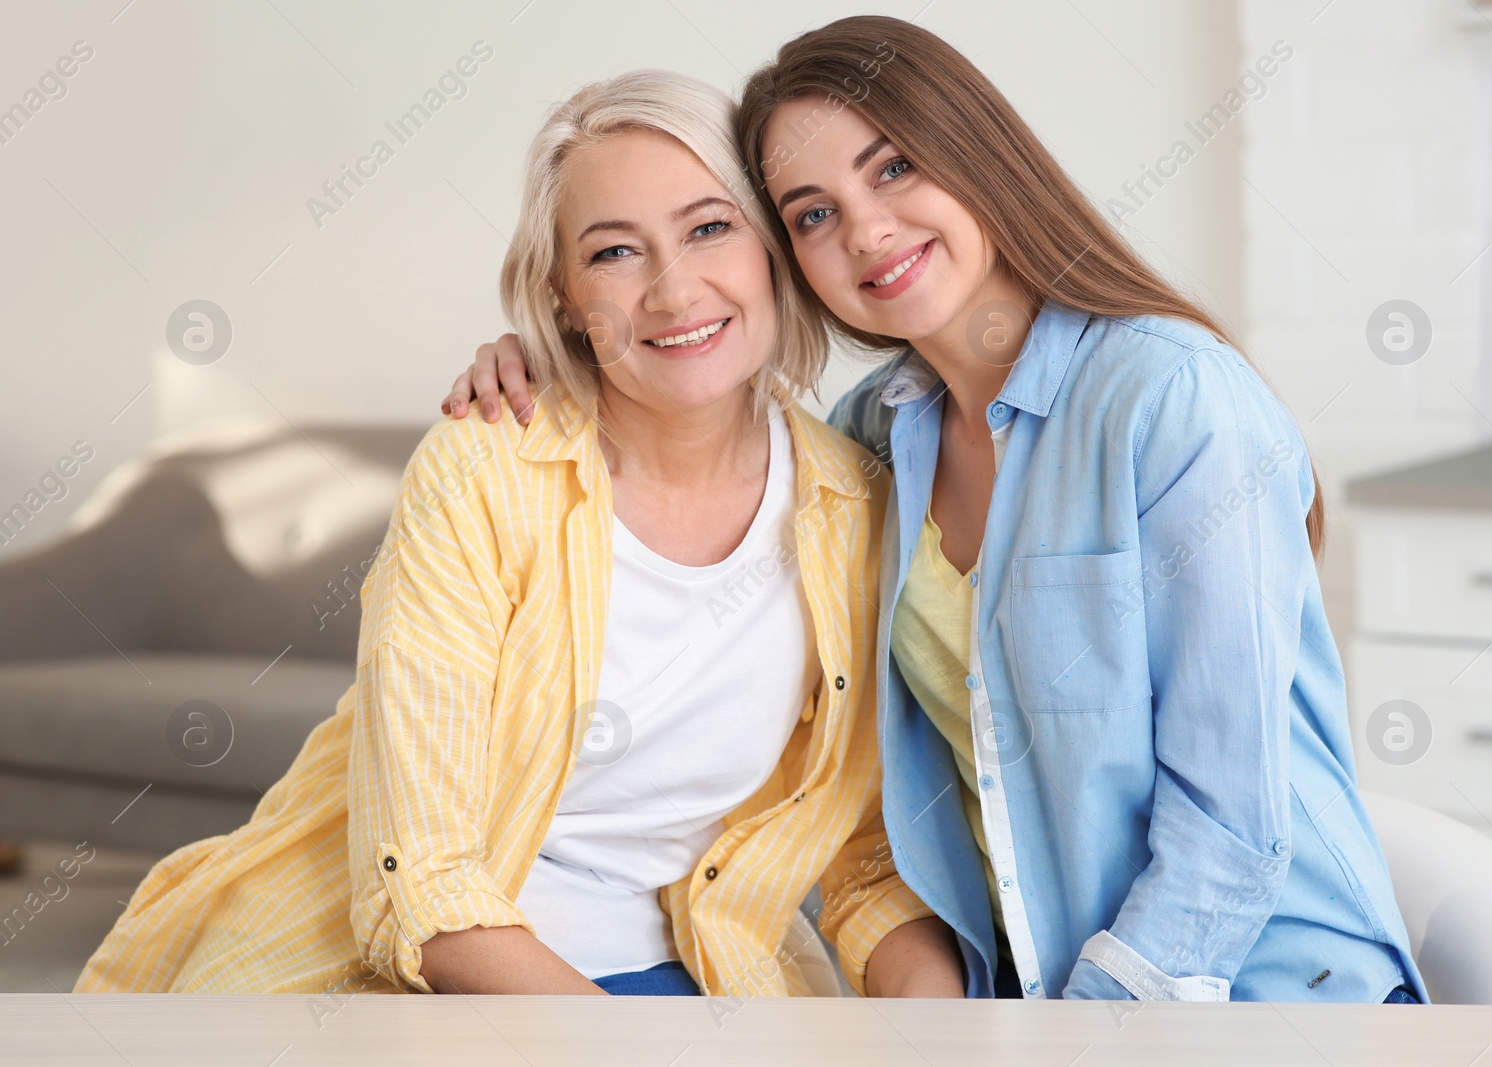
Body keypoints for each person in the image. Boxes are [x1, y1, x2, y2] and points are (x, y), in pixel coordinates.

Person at [444, 17, 1427, 1005]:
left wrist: (1078, 1034)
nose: (865, 231)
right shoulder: (869, 440)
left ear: (977, 154)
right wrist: (552, 362)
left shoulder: (1170, 400)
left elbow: (1231, 829)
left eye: (894, 168)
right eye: (811, 212)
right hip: (1027, 999)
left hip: (1268, 996)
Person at [74, 69, 964, 999]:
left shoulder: (857, 501)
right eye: (615, 253)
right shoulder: (482, 471)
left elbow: (862, 861)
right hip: (443, 976)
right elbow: (422, 884)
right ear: (564, 296)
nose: (671, 290)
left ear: (772, 248)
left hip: (706, 973)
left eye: (710, 227)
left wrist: (938, 1030)